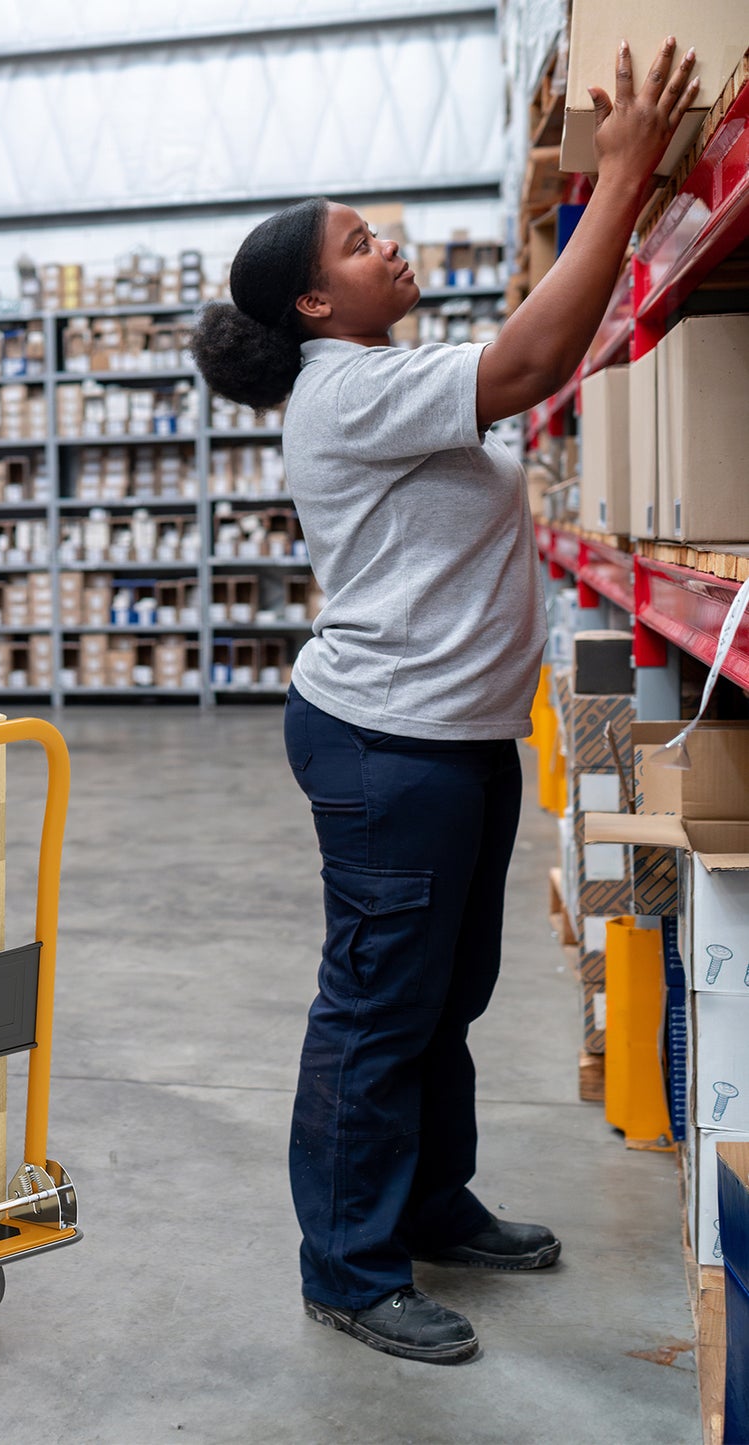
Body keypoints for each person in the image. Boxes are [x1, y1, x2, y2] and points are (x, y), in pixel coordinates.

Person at [190, 38, 700, 1365]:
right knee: (376, 1004)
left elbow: (538, 355)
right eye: (359, 244)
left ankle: (427, 1202)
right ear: (315, 302)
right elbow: (528, 365)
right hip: (386, 741)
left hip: (453, 735)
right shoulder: (347, 388)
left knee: (444, 991)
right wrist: (624, 177)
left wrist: (626, 210)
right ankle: (347, 1267)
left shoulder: (386, 379)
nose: (389, 247)